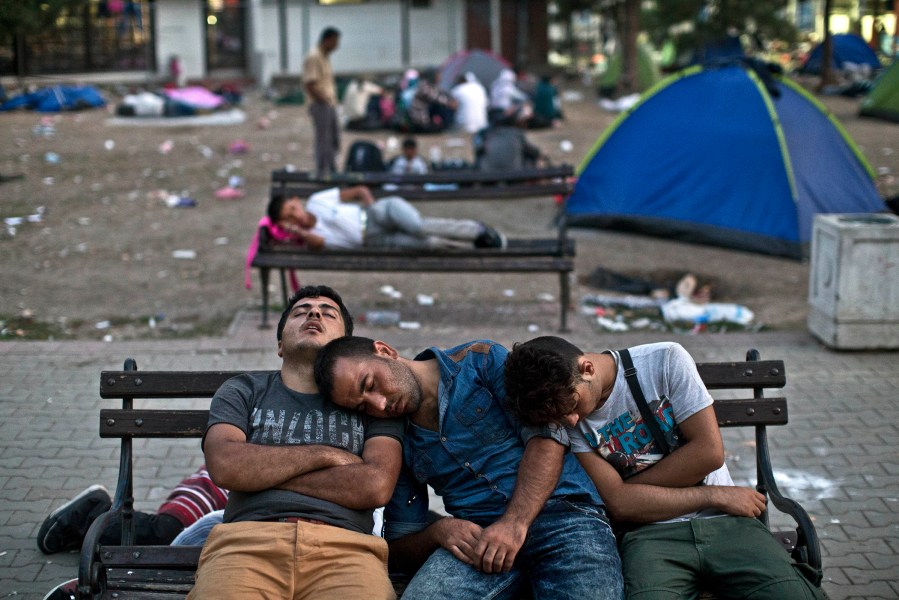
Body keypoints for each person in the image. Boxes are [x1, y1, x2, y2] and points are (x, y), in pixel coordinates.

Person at [503, 337, 826, 600]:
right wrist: (712, 494)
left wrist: (636, 492)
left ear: (586, 368)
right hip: (651, 536)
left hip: (728, 524)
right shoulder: (565, 413)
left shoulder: (664, 360)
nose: (572, 422)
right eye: (562, 418)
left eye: (573, 406)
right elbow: (620, 504)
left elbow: (708, 453)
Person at [313, 336, 624, 600]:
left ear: (385, 351)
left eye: (371, 384)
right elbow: (400, 543)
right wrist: (439, 531)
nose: (379, 405)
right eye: (363, 406)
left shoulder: (481, 360)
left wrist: (514, 523)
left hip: (565, 515)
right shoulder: (393, 438)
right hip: (479, 539)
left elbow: (547, 437)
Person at [188, 285, 405, 599]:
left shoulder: (371, 398)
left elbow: (375, 486)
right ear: (279, 344)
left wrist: (261, 474)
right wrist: (327, 455)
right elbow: (224, 465)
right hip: (245, 545)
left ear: (345, 345)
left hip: (346, 550)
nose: (314, 313)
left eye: (327, 313)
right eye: (301, 311)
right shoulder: (244, 390)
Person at [36, 464, 227, 554]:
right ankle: (93, 511)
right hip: (211, 492)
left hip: (229, 506)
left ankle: (92, 530)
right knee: (164, 535)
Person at [266, 185, 506, 251]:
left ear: (296, 200)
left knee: (418, 227)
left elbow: (359, 190)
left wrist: (373, 209)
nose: (295, 215)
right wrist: (299, 232)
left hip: (377, 214)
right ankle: (473, 246)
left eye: (292, 208)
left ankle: (478, 231)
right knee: (429, 244)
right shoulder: (311, 238)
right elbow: (319, 243)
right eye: (289, 217)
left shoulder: (319, 200)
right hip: (373, 240)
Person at [302, 27, 341, 177]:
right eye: (335, 42)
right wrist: (324, 100)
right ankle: (323, 172)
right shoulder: (314, 56)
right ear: (327, 40)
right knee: (323, 140)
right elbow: (309, 84)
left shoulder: (324, 56)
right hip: (320, 104)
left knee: (332, 139)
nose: (337, 46)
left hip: (328, 103)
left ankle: (331, 170)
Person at [475, 121, 544, 171]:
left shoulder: (487, 134)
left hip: (487, 175)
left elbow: (478, 152)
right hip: (515, 175)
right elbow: (535, 152)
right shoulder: (517, 134)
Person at [405, 68, 457, 133]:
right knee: (444, 106)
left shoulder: (431, 85)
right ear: (432, 76)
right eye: (438, 76)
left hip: (424, 119)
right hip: (420, 122)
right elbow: (435, 97)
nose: (440, 78)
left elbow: (442, 93)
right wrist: (450, 103)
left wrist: (451, 99)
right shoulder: (424, 87)